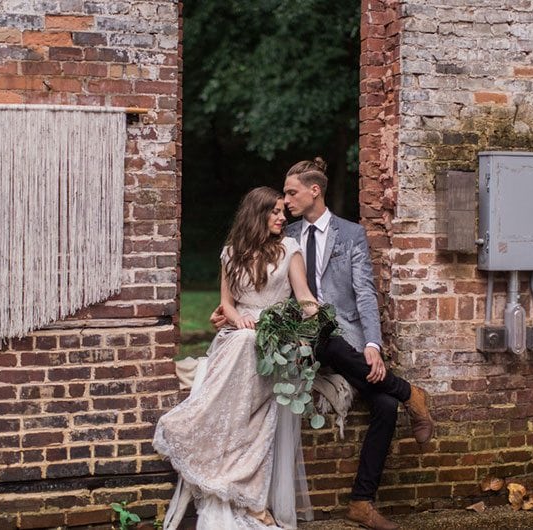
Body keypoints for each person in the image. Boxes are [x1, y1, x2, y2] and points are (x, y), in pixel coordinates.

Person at [153, 186, 320, 530]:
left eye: (282, 212)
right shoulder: (231, 253)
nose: (282, 217)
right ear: (257, 215)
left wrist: (311, 317)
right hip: (238, 335)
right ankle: (187, 425)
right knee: (244, 338)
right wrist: (236, 317)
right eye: (275, 212)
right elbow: (227, 303)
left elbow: (303, 297)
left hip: (274, 337)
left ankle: (251, 493)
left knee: (252, 353)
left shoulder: (290, 249)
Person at [282, 158, 434, 530]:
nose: (286, 200)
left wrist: (371, 343)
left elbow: (365, 293)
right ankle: (410, 391)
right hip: (308, 341)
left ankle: (362, 503)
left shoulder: (350, 234)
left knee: (384, 406)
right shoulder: (286, 236)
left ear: (314, 190)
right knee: (327, 339)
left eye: (291, 192)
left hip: (348, 341)